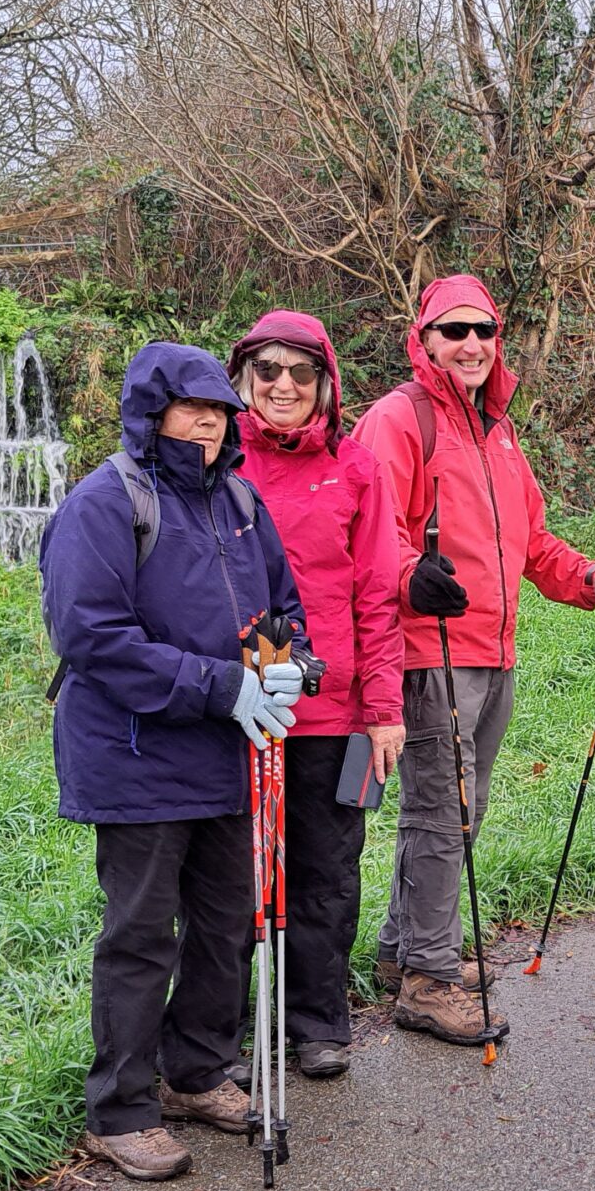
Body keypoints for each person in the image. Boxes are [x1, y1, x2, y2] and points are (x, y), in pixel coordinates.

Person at [352, 275, 595, 1044]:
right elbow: (369, 531)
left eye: (483, 330)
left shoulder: (498, 431)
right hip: (429, 652)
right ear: (424, 340)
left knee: (461, 808)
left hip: (494, 652)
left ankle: (402, 949)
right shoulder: (399, 420)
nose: (471, 344)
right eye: (453, 331)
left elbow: (533, 544)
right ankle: (428, 978)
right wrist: (408, 575)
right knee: (442, 813)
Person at [40, 341, 308, 1182]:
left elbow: (280, 606)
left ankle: (195, 1072)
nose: (209, 423)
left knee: (226, 923)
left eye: (220, 410)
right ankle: (120, 1111)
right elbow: (92, 636)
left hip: (228, 754)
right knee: (141, 934)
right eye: (192, 408)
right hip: (136, 757)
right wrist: (221, 686)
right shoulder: (104, 503)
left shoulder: (239, 501)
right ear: (150, 412)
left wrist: (286, 665)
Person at [224, 311, 403, 1080]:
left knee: (328, 873)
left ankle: (318, 1021)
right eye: (268, 370)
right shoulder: (219, 463)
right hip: (236, 706)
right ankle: (218, 1034)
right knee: (233, 877)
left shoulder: (357, 469)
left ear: (325, 383)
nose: (284, 385)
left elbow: (377, 596)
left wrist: (384, 711)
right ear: (244, 379)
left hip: (333, 713)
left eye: (301, 372)